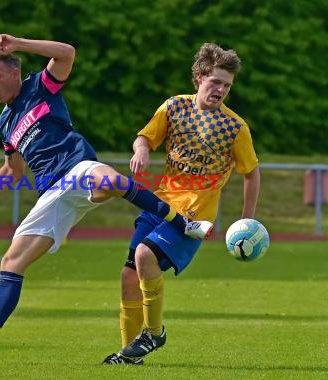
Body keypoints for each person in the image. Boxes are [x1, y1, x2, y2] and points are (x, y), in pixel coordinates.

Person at [0, 34, 214, 364]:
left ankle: (184, 223)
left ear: (14, 73)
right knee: (12, 262)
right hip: (52, 194)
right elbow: (11, 172)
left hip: (77, 167)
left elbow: (67, 53)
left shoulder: (40, 86)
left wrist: (18, 44)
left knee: (109, 179)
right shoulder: (5, 121)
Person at [101, 42, 261, 365]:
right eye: (215, 81)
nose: (221, 90)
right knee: (128, 276)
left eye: (227, 85)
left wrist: (247, 222)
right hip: (160, 205)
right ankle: (130, 355)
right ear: (200, 77)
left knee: (145, 255)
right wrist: (141, 149)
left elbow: (252, 173)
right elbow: (144, 136)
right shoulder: (174, 107)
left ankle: (155, 333)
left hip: (194, 216)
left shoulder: (235, 128)